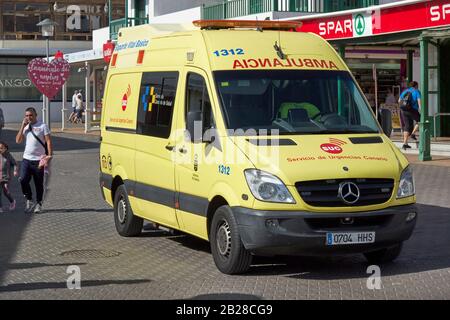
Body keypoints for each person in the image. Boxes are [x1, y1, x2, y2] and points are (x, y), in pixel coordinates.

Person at [15, 107, 53, 213]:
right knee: (22, 179)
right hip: (26, 159)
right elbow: (18, 140)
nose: (29, 117)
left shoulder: (43, 126)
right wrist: (22, 125)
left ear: (36, 115)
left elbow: (48, 141)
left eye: (30, 115)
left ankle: (39, 203)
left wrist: (49, 155)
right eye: (26, 115)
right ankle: (29, 199)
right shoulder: (26, 127)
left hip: (38, 160)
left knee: (38, 184)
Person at [399, 81, 421, 150]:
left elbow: (399, 100)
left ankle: (405, 143)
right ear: (416, 86)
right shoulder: (417, 91)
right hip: (412, 110)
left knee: (407, 126)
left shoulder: (405, 91)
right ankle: (413, 134)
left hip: (403, 110)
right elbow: (419, 102)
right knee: (420, 121)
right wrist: (420, 110)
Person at [0, 141, 18, 212]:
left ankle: (12, 201)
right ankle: (0, 207)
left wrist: (15, 171)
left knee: (6, 191)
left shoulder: (8, 155)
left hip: (6, 177)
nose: (0, 149)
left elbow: (15, 164)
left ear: (5, 148)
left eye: (1, 148)